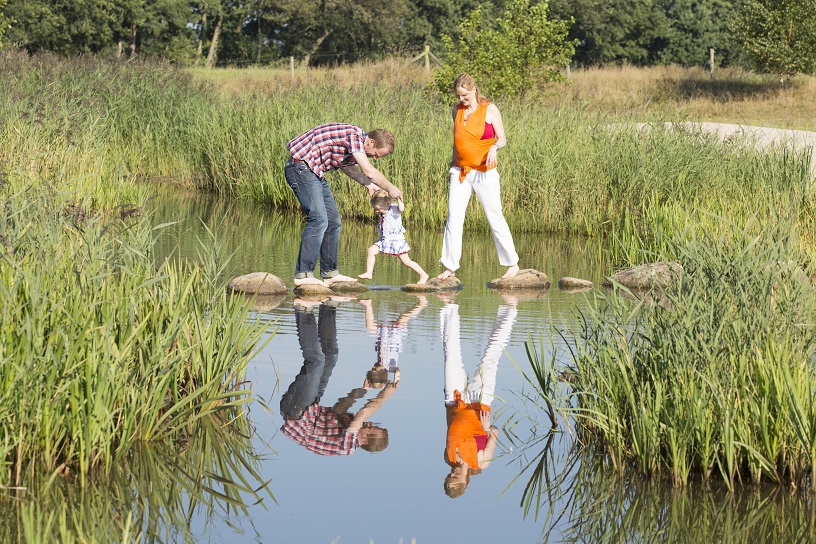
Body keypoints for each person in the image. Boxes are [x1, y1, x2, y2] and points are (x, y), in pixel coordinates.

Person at [285, 123, 403, 288]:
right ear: (370, 142)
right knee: (318, 219)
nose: (375, 158)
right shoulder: (354, 136)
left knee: (334, 222)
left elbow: (348, 168)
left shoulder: (355, 143)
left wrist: (368, 185)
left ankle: (330, 273)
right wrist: (390, 187)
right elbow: (369, 171)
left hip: (315, 172)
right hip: (299, 168)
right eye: (376, 154)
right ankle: (303, 274)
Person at [280, 298, 397, 456]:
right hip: (309, 407)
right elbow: (340, 407)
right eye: (371, 424)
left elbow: (364, 412)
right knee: (330, 356)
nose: (368, 422)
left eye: (370, 427)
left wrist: (384, 395)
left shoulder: (347, 445)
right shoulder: (349, 432)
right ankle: (328, 306)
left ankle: (302, 309)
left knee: (316, 361)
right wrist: (362, 390)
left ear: (364, 439)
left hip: (296, 412)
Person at [437, 73, 520, 282]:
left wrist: (494, 146)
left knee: (494, 216)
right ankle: (449, 267)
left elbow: (502, 138)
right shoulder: (456, 110)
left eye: (464, 95)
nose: (461, 100)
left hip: (485, 172)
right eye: (458, 96)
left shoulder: (489, 109)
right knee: (454, 218)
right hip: (460, 172)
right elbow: (459, 140)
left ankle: (512, 264)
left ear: (473, 90)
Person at [440, 293, 518, 498]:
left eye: (449, 476)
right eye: (456, 476)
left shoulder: (448, 459)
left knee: (450, 356)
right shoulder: (481, 461)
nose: (453, 472)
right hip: (479, 402)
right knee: (490, 358)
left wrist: (447, 404)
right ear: (465, 481)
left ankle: (449, 304)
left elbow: (450, 427)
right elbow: (495, 431)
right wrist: (485, 429)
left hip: (454, 401)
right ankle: (510, 308)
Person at [357, 189, 429, 285]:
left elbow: (401, 209)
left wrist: (399, 199)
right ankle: (369, 273)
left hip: (396, 241)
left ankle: (423, 275)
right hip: (385, 240)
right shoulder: (383, 211)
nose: (377, 211)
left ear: (387, 203)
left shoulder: (394, 209)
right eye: (375, 209)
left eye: (378, 209)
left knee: (406, 261)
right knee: (371, 251)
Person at [358, 295, 428, 386]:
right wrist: (396, 378)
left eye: (371, 369)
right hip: (395, 334)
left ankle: (368, 305)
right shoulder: (390, 367)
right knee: (404, 317)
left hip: (384, 335)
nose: (373, 366)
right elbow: (397, 371)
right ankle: (422, 304)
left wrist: (368, 385)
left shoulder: (379, 363)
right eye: (374, 369)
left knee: (370, 327)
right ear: (383, 372)